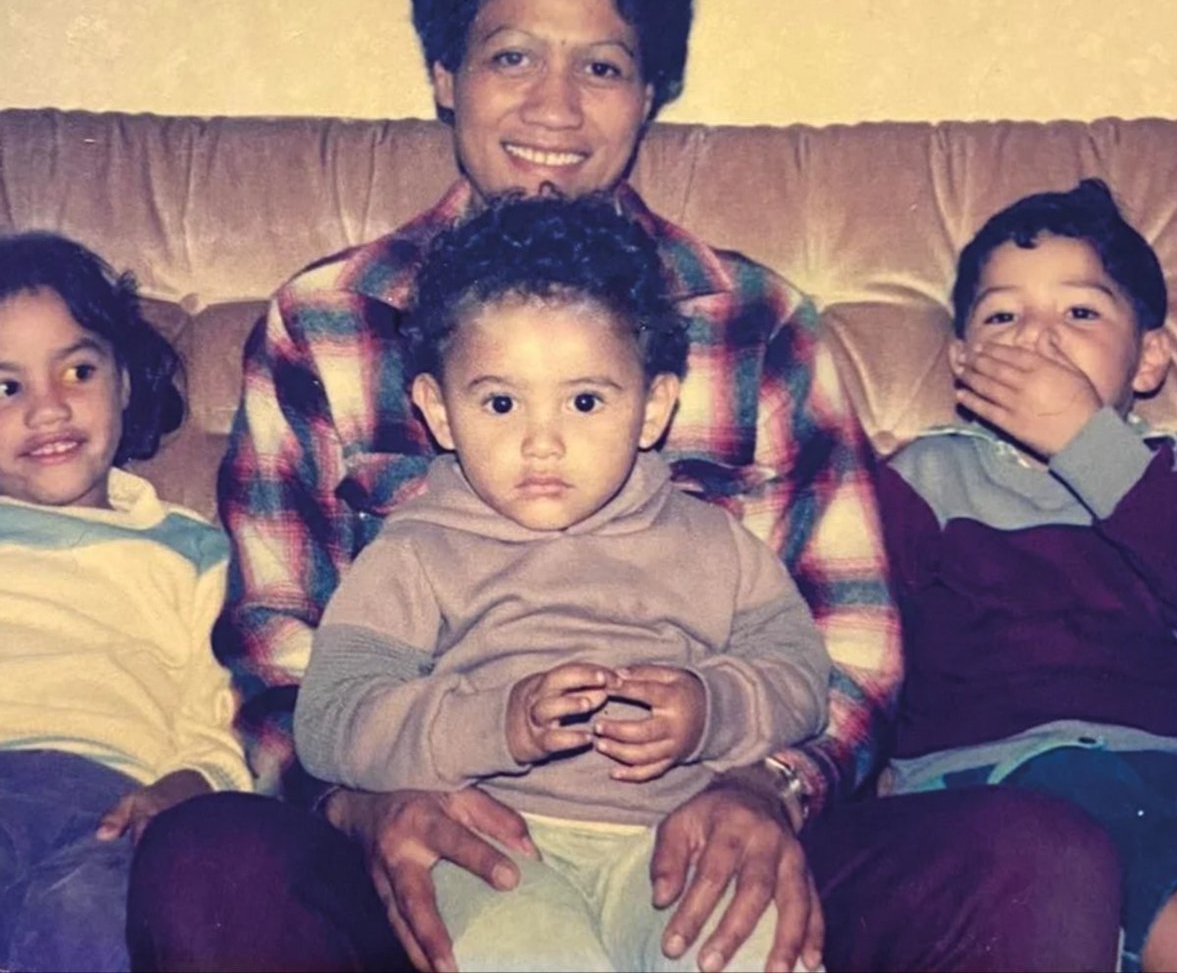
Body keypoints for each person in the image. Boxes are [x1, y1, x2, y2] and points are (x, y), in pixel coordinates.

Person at [128, 0, 1123, 973]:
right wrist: (365, 808)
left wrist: (767, 786)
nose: (554, 107)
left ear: (649, 93)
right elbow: (279, 651)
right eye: (511, 57)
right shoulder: (326, 320)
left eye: (601, 67)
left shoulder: (756, 324)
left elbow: (844, 650)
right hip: (433, 850)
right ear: (445, 72)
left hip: (701, 844)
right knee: (208, 856)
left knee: (1040, 855)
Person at [293, 191, 831, 972]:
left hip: (679, 839)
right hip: (494, 847)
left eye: (584, 400)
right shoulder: (415, 551)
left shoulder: (713, 542)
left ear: (652, 411)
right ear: (439, 415)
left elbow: (798, 673)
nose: (541, 441)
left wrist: (713, 707)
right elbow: (332, 717)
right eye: (501, 402)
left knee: (746, 951)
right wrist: (493, 724)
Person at [876, 178, 1177, 973]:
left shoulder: (1162, 483)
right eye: (1002, 316)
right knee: (1077, 781)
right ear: (961, 360)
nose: (1036, 338)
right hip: (990, 781)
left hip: (1162, 768)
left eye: (1079, 313)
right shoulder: (924, 477)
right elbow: (841, 625)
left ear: (1149, 358)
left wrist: (1092, 449)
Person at [0, 232, 253, 973]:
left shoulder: (191, 550)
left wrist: (191, 781)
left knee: (89, 918)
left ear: (127, 383)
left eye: (77, 369)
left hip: (113, 805)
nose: (48, 409)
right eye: (3, 386)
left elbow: (217, 703)